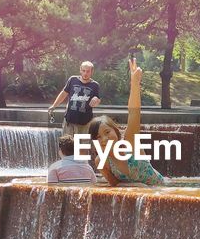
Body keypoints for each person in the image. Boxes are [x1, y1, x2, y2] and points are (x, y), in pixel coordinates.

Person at [89, 58, 164, 186]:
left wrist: (134, 84)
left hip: (161, 193)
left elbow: (134, 112)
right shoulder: (101, 161)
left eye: (107, 132)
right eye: (98, 137)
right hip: (137, 199)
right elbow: (115, 186)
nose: (104, 139)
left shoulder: (129, 142)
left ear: (116, 131)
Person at [49, 61, 102, 137]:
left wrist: (96, 100)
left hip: (85, 123)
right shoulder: (72, 80)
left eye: (88, 71)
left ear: (91, 72)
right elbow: (63, 93)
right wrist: (54, 105)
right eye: (83, 71)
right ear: (80, 70)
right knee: (66, 146)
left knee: (81, 147)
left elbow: (98, 99)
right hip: (69, 121)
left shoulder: (95, 85)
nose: (85, 73)